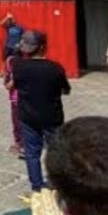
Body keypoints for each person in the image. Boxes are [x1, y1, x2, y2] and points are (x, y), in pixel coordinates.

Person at [9, 30, 71, 196]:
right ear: (43, 47)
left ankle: (37, 186)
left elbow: (13, 85)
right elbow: (66, 90)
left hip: (27, 116)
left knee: (32, 153)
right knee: (55, 151)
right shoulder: (55, 68)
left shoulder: (18, 66)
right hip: (52, 117)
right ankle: (57, 184)